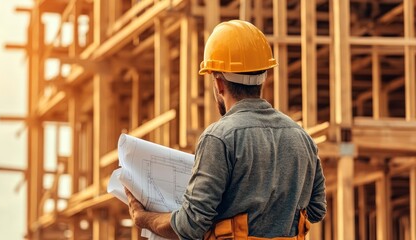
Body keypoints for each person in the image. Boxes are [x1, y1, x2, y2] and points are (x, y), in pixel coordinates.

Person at [125, 20, 326, 240]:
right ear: (263, 78)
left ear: (219, 83)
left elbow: (190, 225)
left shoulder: (219, 138)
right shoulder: (302, 138)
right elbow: (316, 210)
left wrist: (143, 218)